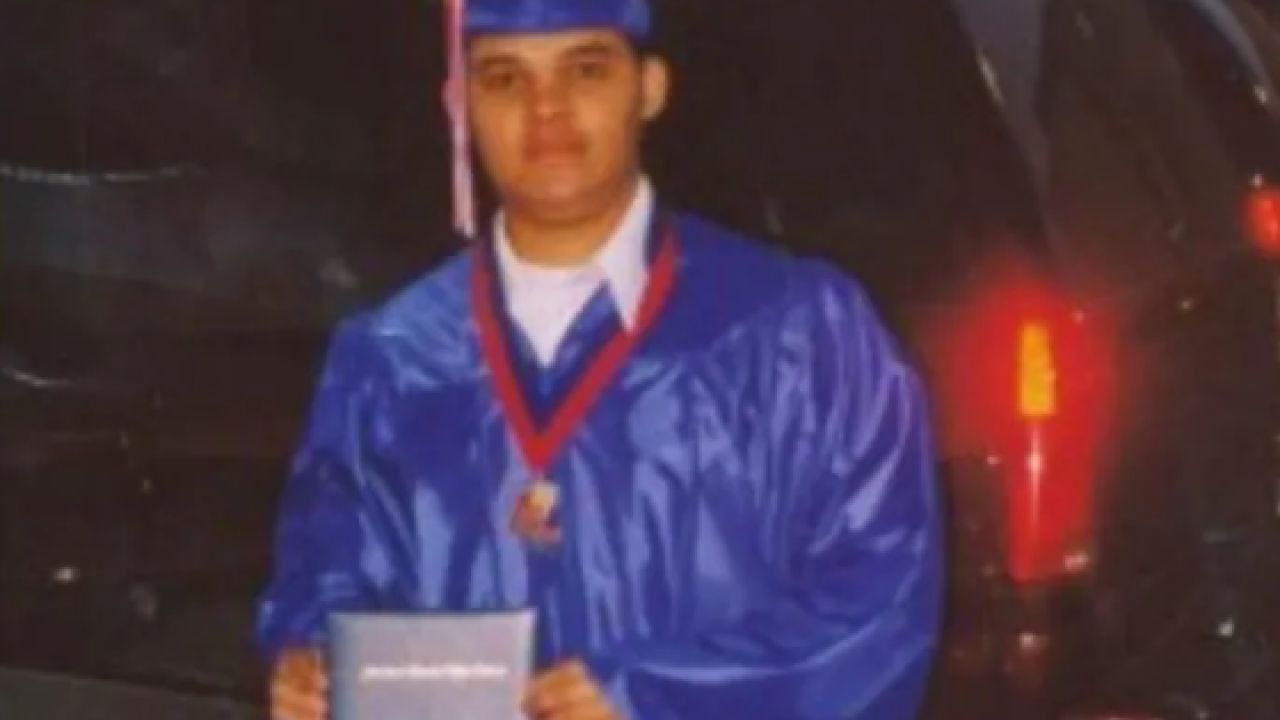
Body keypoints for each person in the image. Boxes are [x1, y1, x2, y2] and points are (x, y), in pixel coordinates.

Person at [257, 0, 943, 718]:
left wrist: (659, 696)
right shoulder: (391, 360)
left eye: (584, 69)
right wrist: (314, 661)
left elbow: (879, 602)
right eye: (504, 78)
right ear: (460, 102)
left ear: (649, 87)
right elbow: (329, 574)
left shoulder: (798, 333)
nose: (544, 108)